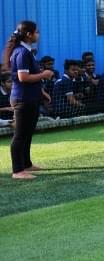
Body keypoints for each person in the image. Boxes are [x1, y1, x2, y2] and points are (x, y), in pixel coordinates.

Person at [4, 21, 55, 180]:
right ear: (29, 34)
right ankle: (17, 170)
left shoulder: (26, 51)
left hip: (31, 97)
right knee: (20, 135)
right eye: (36, 32)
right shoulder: (22, 52)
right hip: (22, 99)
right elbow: (23, 77)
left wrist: (41, 92)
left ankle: (26, 164)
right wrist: (44, 74)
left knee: (27, 133)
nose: (38, 35)